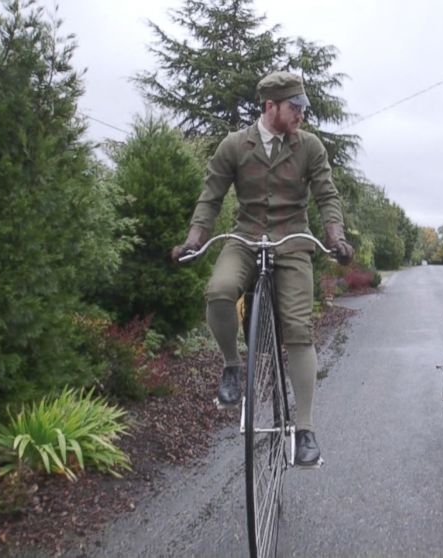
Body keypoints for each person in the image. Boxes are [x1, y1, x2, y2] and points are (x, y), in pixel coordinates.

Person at [172, 71, 354, 466]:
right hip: (246, 237)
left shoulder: (309, 147)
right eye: (295, 107)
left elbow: (326, 193)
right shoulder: (235, 146)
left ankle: (304, 428)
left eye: (303, 107)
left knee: (298, 329)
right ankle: (233, 368)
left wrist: (336, 236)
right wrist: (194, 240)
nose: (302, 115)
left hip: (292, 240)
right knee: (219, 291)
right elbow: (211, 195)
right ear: (271, 106)